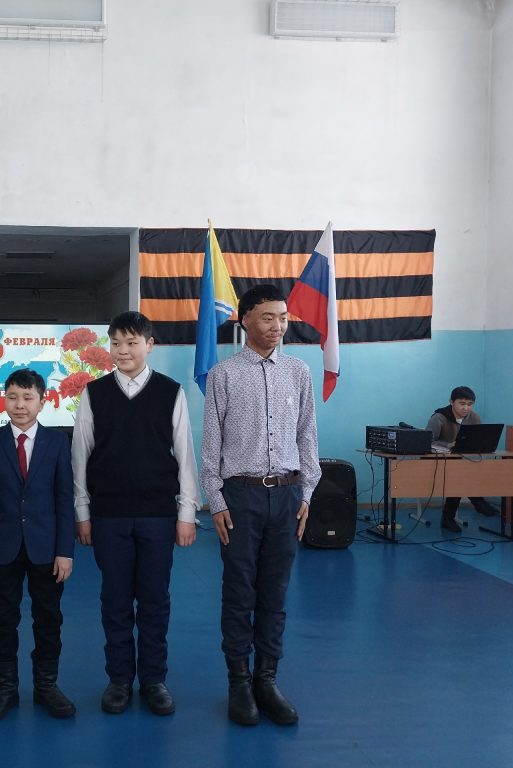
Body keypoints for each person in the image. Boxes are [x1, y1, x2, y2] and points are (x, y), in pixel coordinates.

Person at [200, 283, 321, 727]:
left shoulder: (298, 372)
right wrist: (216, 500)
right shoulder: (223, 375)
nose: (277, 326)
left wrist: (306, 493)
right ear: (245, 318)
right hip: (241, 497)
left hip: (287, 496)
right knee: (239, 592)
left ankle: (266, 680)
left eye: (283, 318)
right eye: (268, 317)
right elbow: (211, 446)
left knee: (275, 592)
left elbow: (307, 436)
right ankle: (239, 681)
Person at [71, 311, 199, 717]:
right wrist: (82, 510)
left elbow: (185, 454)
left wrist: (187, 512)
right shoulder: (94, 393)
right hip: (108, 516)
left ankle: (154, 680)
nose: (122, 351)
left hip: (158, 516)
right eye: (115, 343)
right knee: (115, 599)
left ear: (149, 345)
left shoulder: (170, 392)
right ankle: (119, 680)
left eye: (131, 342)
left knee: (155, 599)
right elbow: (80, 455)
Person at [0, 368, 76, 722]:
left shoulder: (57, 442)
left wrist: (65, 551)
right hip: (2, 548)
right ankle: (5, 689)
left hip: (46, 548)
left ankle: (47, 687)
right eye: (13, 397)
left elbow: (64, 500)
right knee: (2, 619)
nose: (20, 405)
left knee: (49, 618)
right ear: (4, 400)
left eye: (28, 398)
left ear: (42, 402)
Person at [427, 385, 500, 532]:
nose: (466, 408)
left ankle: (451, 517)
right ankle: (476, 501)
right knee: (458, 475)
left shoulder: (474, 418)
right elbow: (427, 442)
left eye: (470, 404)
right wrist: (448, 445)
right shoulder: (439, 417)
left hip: (463, 460)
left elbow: (478, 439)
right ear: (451, 402)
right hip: (439, 461)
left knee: (468, 471)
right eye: (462, 403)